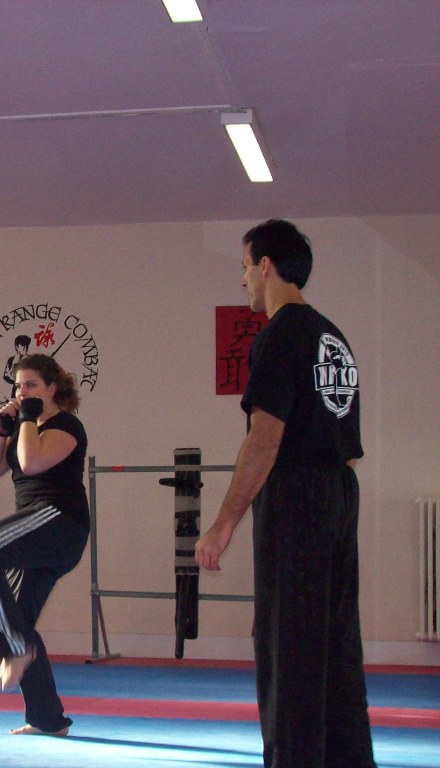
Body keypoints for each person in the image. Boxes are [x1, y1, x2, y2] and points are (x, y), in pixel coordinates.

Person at [195, 219, 375, 768]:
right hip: (339, 491)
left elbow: (265, 438)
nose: (243, 279)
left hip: (297, 494)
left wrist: (223, 522)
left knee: (288, 643)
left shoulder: (279, 334)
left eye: (245, 266)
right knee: (335, 641)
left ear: (266, 265)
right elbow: (346, 443)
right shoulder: (332, 337)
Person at [0, 353, 89, 737]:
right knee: (19, 617)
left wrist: (28, 418)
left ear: (52, 388)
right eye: (18, 386)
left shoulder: (67, 425)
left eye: (31, 385)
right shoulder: (22, 428)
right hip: (38, 529)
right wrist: (3, 429)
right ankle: (48, 719)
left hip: (60, 523)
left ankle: (14, 648)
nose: (22, 392)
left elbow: (31, 463)